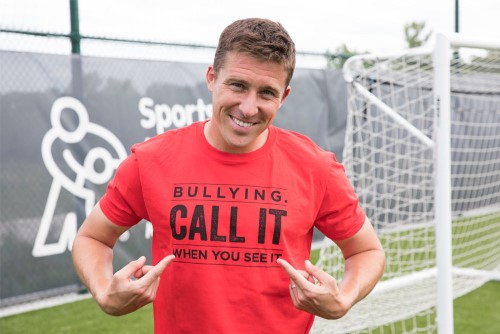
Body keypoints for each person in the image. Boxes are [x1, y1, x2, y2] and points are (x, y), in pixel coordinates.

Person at [72, 17, 385, 333]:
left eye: (266, 92)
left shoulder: (315, 167)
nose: (249, 108)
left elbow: (367, 251)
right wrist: (103, 291)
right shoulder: (152, 160)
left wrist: (344, 297)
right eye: (237, 85)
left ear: (284, 96)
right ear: (212, 78)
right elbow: (92, 237)